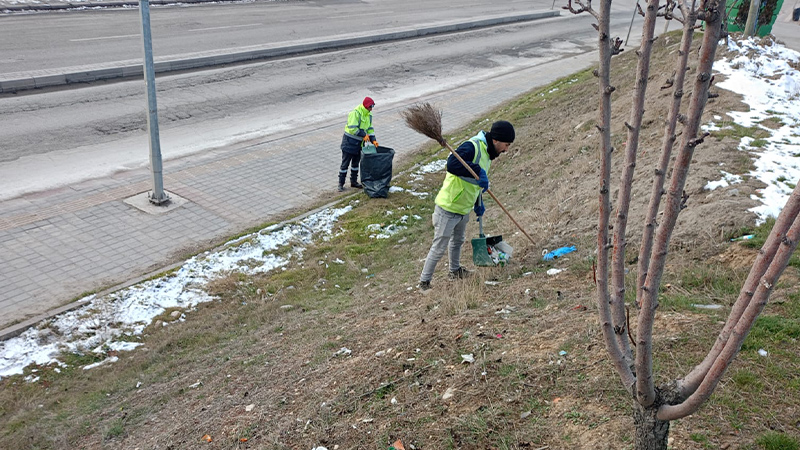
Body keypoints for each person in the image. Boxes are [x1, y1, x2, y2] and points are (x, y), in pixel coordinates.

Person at [418, 120, 515, 291]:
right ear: (496, 140)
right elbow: (452, 164)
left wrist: (479, 202)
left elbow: (474, 182)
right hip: (448, 207)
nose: (506, 150)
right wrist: (478, 171)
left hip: (464, 207)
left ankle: (454, 271)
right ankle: (424, 282)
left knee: (458, 241)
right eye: (506, 145)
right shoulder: (473, 147)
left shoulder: (488, 154)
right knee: (439, 246)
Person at [339, 96, 378, 192]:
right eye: (370, 107)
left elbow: (370, 128)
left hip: (359, 145)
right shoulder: (355, 113)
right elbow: (352, 128)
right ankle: (341, 184)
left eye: (372, 107)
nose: (371, 109)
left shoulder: (369, 115)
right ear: (366, 106)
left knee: (355, 164)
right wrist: (363, 135)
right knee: (345, 165)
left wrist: (373, 140)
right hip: (349, 143)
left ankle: (354, 182)